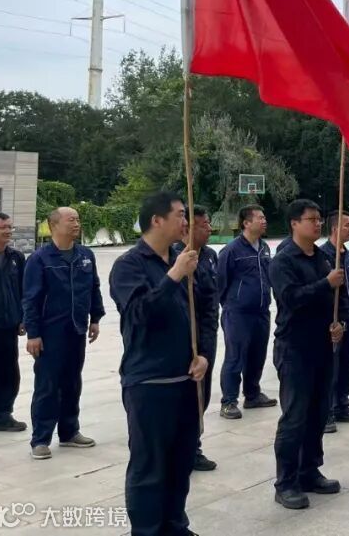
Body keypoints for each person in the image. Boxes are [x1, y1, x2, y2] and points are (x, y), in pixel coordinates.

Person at [109, 191, 216, 536]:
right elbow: (139, 314)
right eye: (180, 214)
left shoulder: (186, 259)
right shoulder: (129, 265)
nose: (186, 221)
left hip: (187, 379)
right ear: (157, 220)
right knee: (149, 466)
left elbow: (204, 312)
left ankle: (175, 525)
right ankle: (147, 530)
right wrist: (173, 276)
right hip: (149, 382)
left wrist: (204, 355)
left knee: (181, 461)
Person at [268, 199, 345, 509]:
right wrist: (325, 284)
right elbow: (290, 298)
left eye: (318, 219)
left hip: (322, 346)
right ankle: (285, 482)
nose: (318, 224)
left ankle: (309, 471)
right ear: (294, 224)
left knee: (318, 413)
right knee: (295, 417)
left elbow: (335, 299)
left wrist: (338, 324)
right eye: (311, 219)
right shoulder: (283, 261)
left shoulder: (323, 257)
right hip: (295, 348)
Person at [23, 206, 103, 459]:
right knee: (47, 385)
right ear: (54, 225)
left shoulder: (85, 255)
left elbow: (93, 287)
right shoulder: (40, 259)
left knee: (72, 382)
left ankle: (69, 432)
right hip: (50, 333)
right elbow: (30, 299)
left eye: (78, 220)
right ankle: (40, 439)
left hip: (77, 329)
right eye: (71, 220)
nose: (76, 224)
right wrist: (33, 333)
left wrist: (95, 318)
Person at [171, 206, 220, 472]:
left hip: (206, 336)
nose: (209, 229)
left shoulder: (210, 256)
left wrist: (208, 346)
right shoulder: (175, 257)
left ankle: (193, 447)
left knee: (202, 396)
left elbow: (213, 300)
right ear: (187, 228)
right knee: (184, 399)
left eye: (208, 223)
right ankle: (180, 450)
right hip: (183, 339)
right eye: (203, 224)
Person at [216, 204, 275, 419]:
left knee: (257, 355)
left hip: (261, 311)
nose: (264, 220)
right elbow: (220, 282)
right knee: (235, 356)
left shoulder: (264, 247)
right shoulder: (231, 250)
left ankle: (252, 394)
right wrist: (232, 303)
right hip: (238, 313)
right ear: (246, 223)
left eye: (264, 217)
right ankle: (228, 401)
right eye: (259, 218)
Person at [320, 212, 349, 432]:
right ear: (335, 228)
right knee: (331, 368)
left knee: (346, 365)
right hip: (333, 321)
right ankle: (325, 412)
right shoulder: (324, 255)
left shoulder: (348, 254)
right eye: (346, 225)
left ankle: (341, 405)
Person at [0, 211, 26, 433]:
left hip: (8, 327)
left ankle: (2, 416)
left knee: (8, 374)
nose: (8, 231)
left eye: (10, 227)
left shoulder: (16, 258)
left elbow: (24, 291)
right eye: (3, 227)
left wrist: (23, 317)